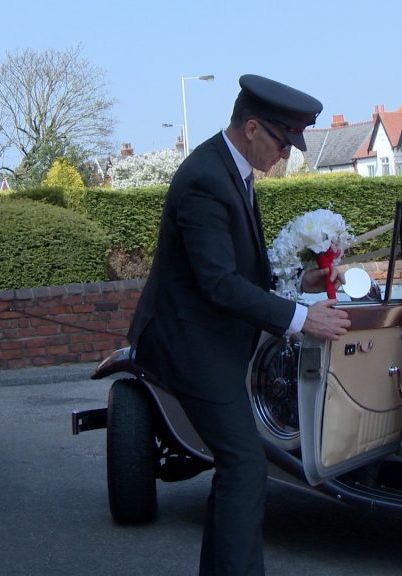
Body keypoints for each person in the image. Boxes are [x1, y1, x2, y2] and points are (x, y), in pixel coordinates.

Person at [127, 74, 351, 576]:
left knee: (242, 468)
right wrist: (301, 319)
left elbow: (246, 271)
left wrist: (306, 279)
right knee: (246, 466)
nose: (285, 157)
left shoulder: (233, 171)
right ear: (251, 127)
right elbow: (219, 283)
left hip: (212, 342)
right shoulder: (206, 178)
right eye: (281, 142)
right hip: (188, 346)